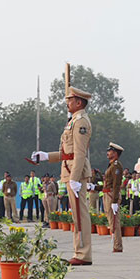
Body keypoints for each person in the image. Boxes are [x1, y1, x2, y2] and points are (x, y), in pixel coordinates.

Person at [31, 86, 94, 266]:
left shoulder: (81, 121)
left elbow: (80, 153)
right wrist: (46, 156)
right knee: (76, 215)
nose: (67, 103)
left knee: (80, 215)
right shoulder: (73, 120)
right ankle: (79, 251)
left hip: (76, 171)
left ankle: (83, 254)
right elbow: (67, 153)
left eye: (70, 100)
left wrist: (75, 178)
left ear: (79, 102)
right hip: (69, 169)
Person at [96, 143, 125, 253]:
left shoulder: (116, 166)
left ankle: (117, 246)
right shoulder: (112, 165)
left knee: (114, 221)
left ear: (115, 153)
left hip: (111, 195)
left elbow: (116, 184)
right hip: (107, 193)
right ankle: (116, 244)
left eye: (110, 151)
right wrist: (95, 187)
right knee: (111, 220)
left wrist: (114, 201)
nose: (107, 153)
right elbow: (107, 183)